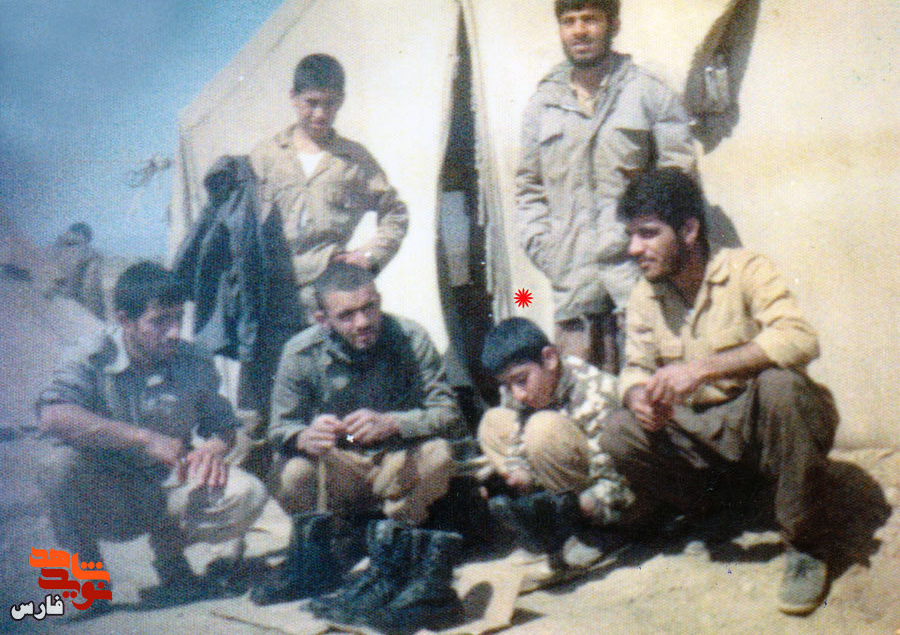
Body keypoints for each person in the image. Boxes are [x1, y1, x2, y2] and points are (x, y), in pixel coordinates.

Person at [601, 168, 839, 615]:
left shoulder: (745, 269)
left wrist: (703, 369)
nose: (634, 249)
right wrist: (637, 398)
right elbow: (634, 367)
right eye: (631, 235)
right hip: (702, 437)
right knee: (618, 431)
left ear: (689, 230)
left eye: (648, 234)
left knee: (782, 386)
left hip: (758, 427)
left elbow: (799, 338)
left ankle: (806, 546)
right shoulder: (644, 296)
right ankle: (717, 510)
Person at [36, 262, 267, 607]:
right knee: (56, 467)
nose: (174, 332)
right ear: (125, 320)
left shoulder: (193, 360)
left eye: (178, 318)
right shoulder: (91, 355)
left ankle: (172, 564)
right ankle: (87, 581)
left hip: (166, 488)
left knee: (248, 493)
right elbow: (53, 416)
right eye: (159, 321)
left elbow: (223, 426)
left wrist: (213, 450)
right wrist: (144, 438)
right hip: (108, 495)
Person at [251, 261, 467, 606]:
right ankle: (335, 543)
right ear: (322, 320)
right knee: (291, 473)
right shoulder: (300, 352)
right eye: (347, 315)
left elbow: (449, 414)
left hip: (397, 457)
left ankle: (395, 538)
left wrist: (394, 423)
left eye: (369, 308)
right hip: (343, 457)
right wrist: (304, 435)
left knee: (439, 455)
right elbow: (279, 428)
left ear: (379, 301)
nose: (363, 322)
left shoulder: (410, 338)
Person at [238, 53, 410, 467]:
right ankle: (262, 492)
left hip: (331, 301)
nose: (319, 113)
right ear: (293, 98)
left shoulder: (353, 159)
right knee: (261, 407)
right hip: (273, 303)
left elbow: (395, 212)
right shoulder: (264, 157)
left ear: (341, 101)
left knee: (332, 395)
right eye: (311, 102)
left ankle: (337, 490)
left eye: (330, 103)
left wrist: (369, 257)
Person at [516, 0, 695, 372]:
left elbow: (679, 186)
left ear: (614, 25)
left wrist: (653, 250)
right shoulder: (543, 104)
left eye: (590, 19)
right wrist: (547, 251)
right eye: (569, 21)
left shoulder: (648, 94)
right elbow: (528, 190)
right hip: (573, 289)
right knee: (581, 395)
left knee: (649, 389)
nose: (579, 31)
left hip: (637, 283)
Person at [476, 317, 633, 565]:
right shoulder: (538, 388)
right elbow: (519, 438)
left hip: (615, 500)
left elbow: (619, 479)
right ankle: (546, 529)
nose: (517, 394)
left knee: (542, 427)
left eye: (521, 380)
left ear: (549, 358)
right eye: (507, 386)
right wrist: (518, 476)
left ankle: (594, 533)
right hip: (570, 482)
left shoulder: (592, 392)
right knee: (492, 422)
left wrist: (581, 507)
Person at [46, 222, 105, 319]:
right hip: (72, 304)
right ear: (87, 237)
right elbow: (91, 286)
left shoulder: (50, 249)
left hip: (49, 300)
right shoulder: (90, 253)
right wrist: (99, 317)